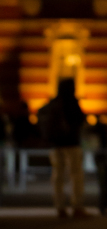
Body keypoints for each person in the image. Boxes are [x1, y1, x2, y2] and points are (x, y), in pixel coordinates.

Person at [37, 78, 89, 219]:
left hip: (55, 145)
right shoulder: (71, 102)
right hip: (71, 144)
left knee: (57, 176)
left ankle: (60, 207)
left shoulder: (53, 103)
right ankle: (77, 206)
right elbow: (80, 120)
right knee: (75, 175)